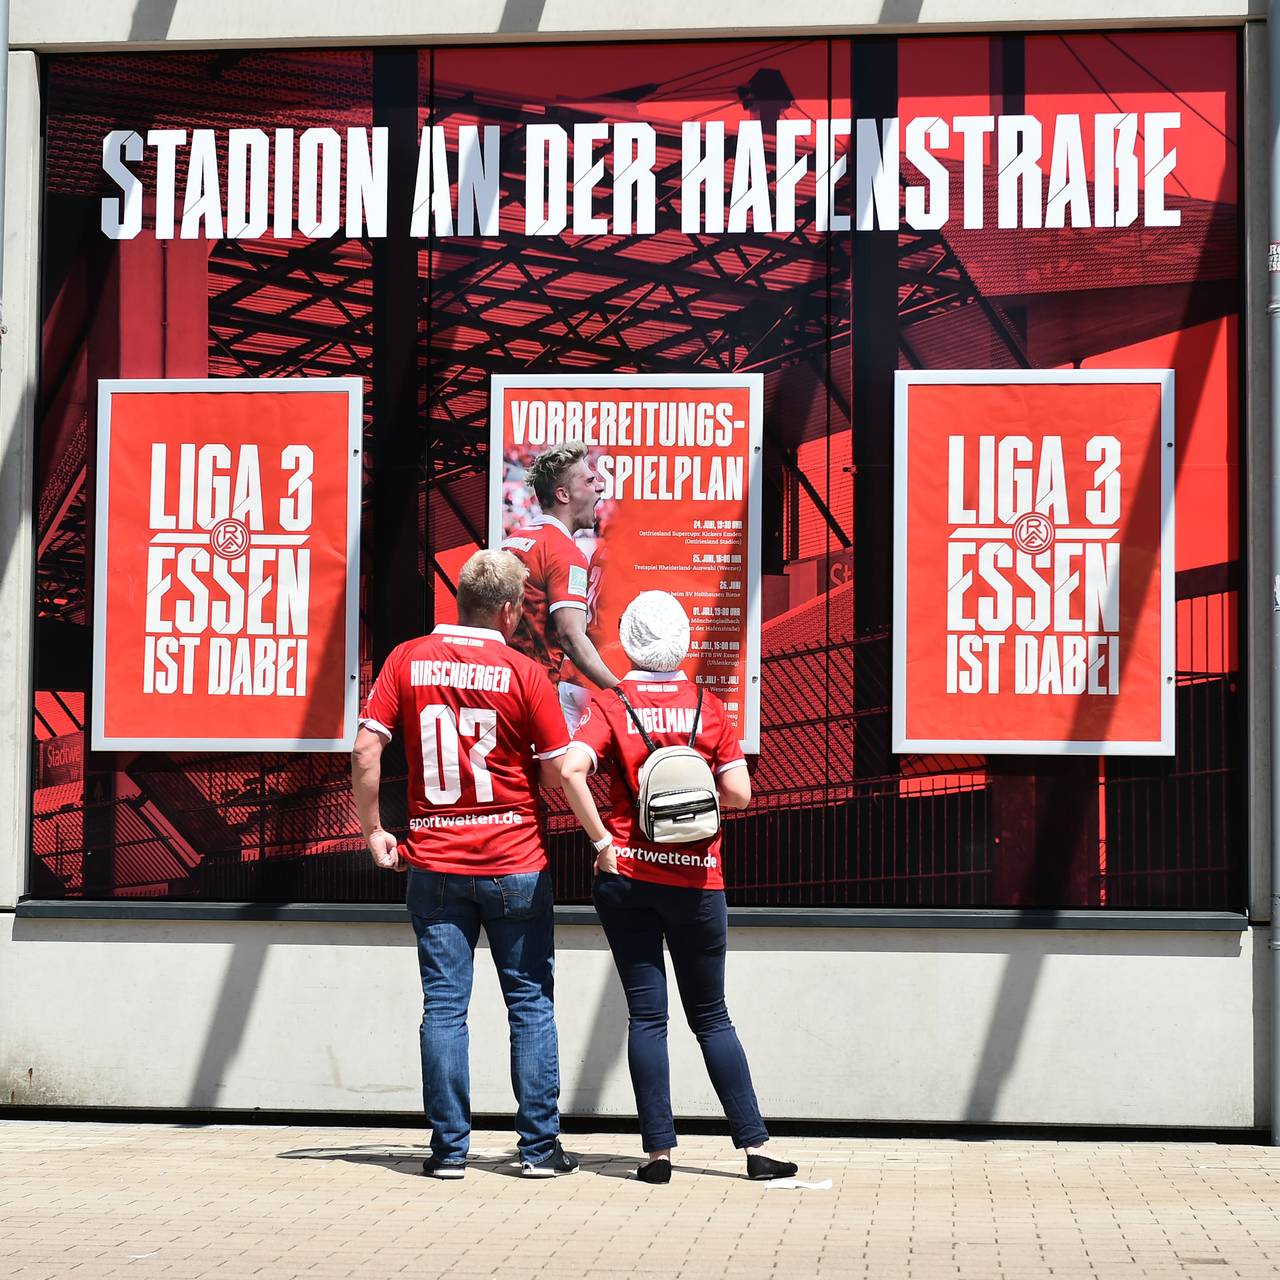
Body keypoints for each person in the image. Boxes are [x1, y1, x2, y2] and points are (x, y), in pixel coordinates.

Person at [350, 549, 579, 1179]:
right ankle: (538, 1151)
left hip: (435, 863)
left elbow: (367, 748)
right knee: (529, 1003)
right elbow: (559, 770)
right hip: (514, 862)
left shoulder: (406, 659)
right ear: (507, 610)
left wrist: (374, 831)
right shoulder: (525, 672)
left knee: (444, 1007)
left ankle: (449, 1151)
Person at [559, 590, 798, 1184]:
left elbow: (570, 770)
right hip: (698, 881)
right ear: (682, 641)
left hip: (627, 878)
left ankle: (657, 1157)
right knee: (712, 1016)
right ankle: (755, 1149)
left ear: (631, 641)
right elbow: (740, 793)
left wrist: (602, 843)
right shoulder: (708, 707)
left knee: (648, 1017)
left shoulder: (611, 704)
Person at [501, 439, 621, 731]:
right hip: (533, 697)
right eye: (590, 480)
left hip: (502, 690)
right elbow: (571, 636)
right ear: (563, 494)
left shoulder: (511, 542)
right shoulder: (564, 552)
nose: (600, 486)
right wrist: (621, 692)